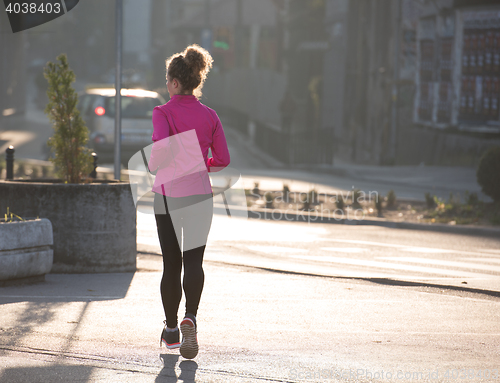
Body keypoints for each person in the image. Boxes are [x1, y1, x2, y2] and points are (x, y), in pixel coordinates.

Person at [149, 44, 230, 359]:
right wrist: (200, 163)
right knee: (194, 262)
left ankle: (171, 330)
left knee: (172, 263)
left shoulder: (163, 112)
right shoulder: (210, 115)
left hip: (167, 195)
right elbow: (222, 159)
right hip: (199, 195)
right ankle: (191, 317)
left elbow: (158, 156)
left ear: (173, 82)